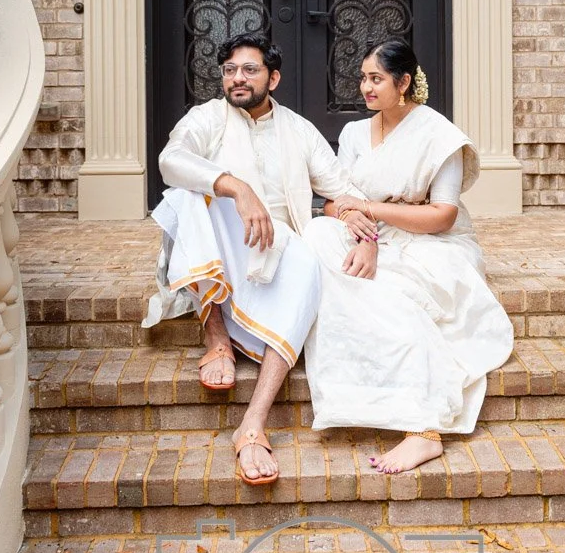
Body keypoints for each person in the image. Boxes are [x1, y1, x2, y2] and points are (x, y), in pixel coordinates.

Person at [145, 35, 362, 487]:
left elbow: (342, 190)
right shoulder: (206, 118)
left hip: (279, 252)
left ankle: (252, 424)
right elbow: (171, 161)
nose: (237, 78)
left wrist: (368, 233)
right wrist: (236, 188)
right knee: (187, 198)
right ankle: (217, 339)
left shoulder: (299, 129)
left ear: (273, 78)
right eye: (229, 70)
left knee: (307, 259)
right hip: (225, 244)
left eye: (249, 70)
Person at [303, 39, 514, 474]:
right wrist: (358, 225)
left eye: (376, 78)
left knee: (396, 294)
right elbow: (336, 202)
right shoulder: (353, 134)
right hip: (370, 235)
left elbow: (443, 215)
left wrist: (370, 213)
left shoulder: (440, 136)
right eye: (363, 77)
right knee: (314, 234)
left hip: (432, 244)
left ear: (403, 83)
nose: (365, 87)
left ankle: (424, 429)